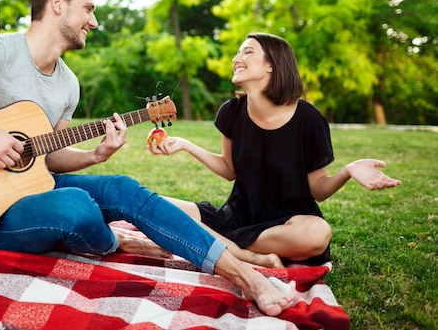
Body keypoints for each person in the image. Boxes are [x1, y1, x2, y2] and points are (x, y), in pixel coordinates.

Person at [0, 0, 295, 316]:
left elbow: (49, 156)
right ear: (57, 4)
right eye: (89, 9)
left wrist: (96, 156)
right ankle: (114, 240)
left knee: (123, 189)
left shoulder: (68, 84)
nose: (94, 21)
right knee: (75, 206)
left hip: (31, 188)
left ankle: (242, 273)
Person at [149, 32, 402, 266]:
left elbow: (319, 189)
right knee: (149, 205)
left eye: (247, 52)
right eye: (237, 53)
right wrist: (185, 145)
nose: (237, 58)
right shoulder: (231, 112)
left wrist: (347, 170)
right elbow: (229, 170)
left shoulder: (309, 119)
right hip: (235, 217)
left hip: (287, 225)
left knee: (317, 234)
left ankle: (216, 241)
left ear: (271, 64)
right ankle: (244, 254)